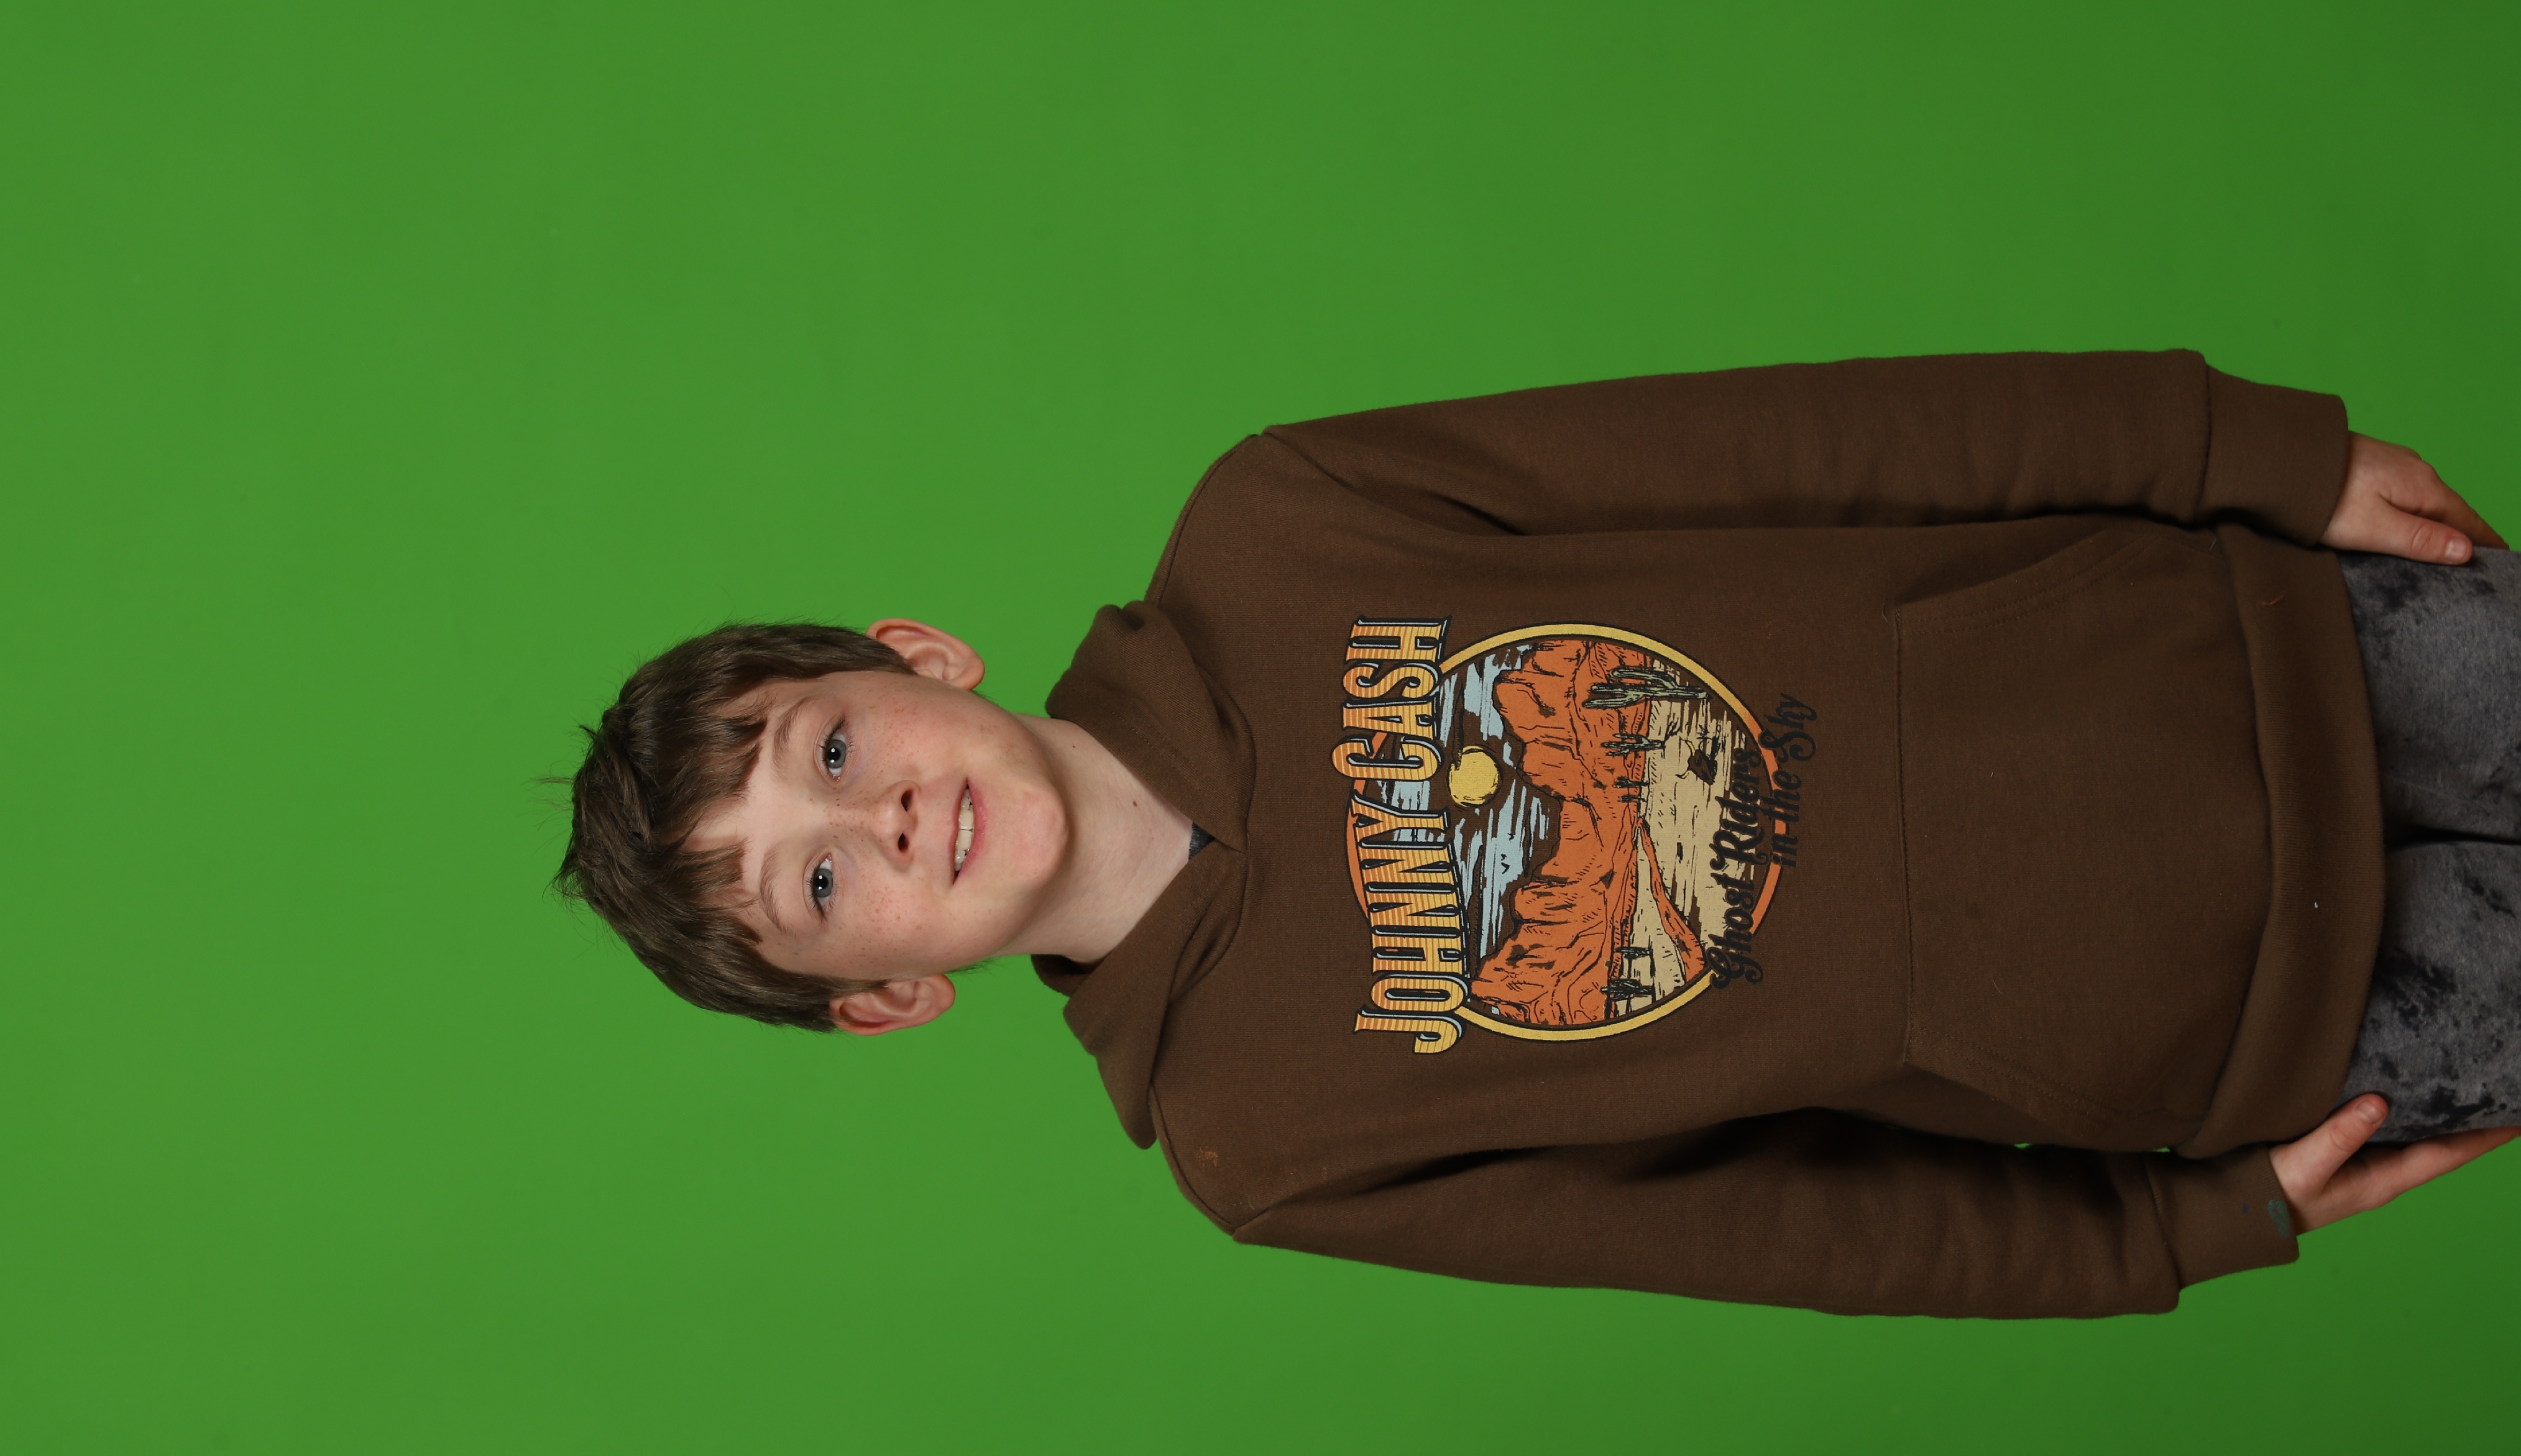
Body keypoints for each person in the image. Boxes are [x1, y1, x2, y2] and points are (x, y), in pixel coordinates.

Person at [559, 350, 2517, 1317]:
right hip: (2258, 1026)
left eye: (831, 743)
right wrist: (2176, 1234)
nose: (885, 813)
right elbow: (1778, 1231)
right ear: (886, 997)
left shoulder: (1278, 522)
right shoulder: (1262, 1148)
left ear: (912, 654)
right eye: (825, 881)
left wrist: (2231, 450)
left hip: (2248, 648)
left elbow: (1794, 445)